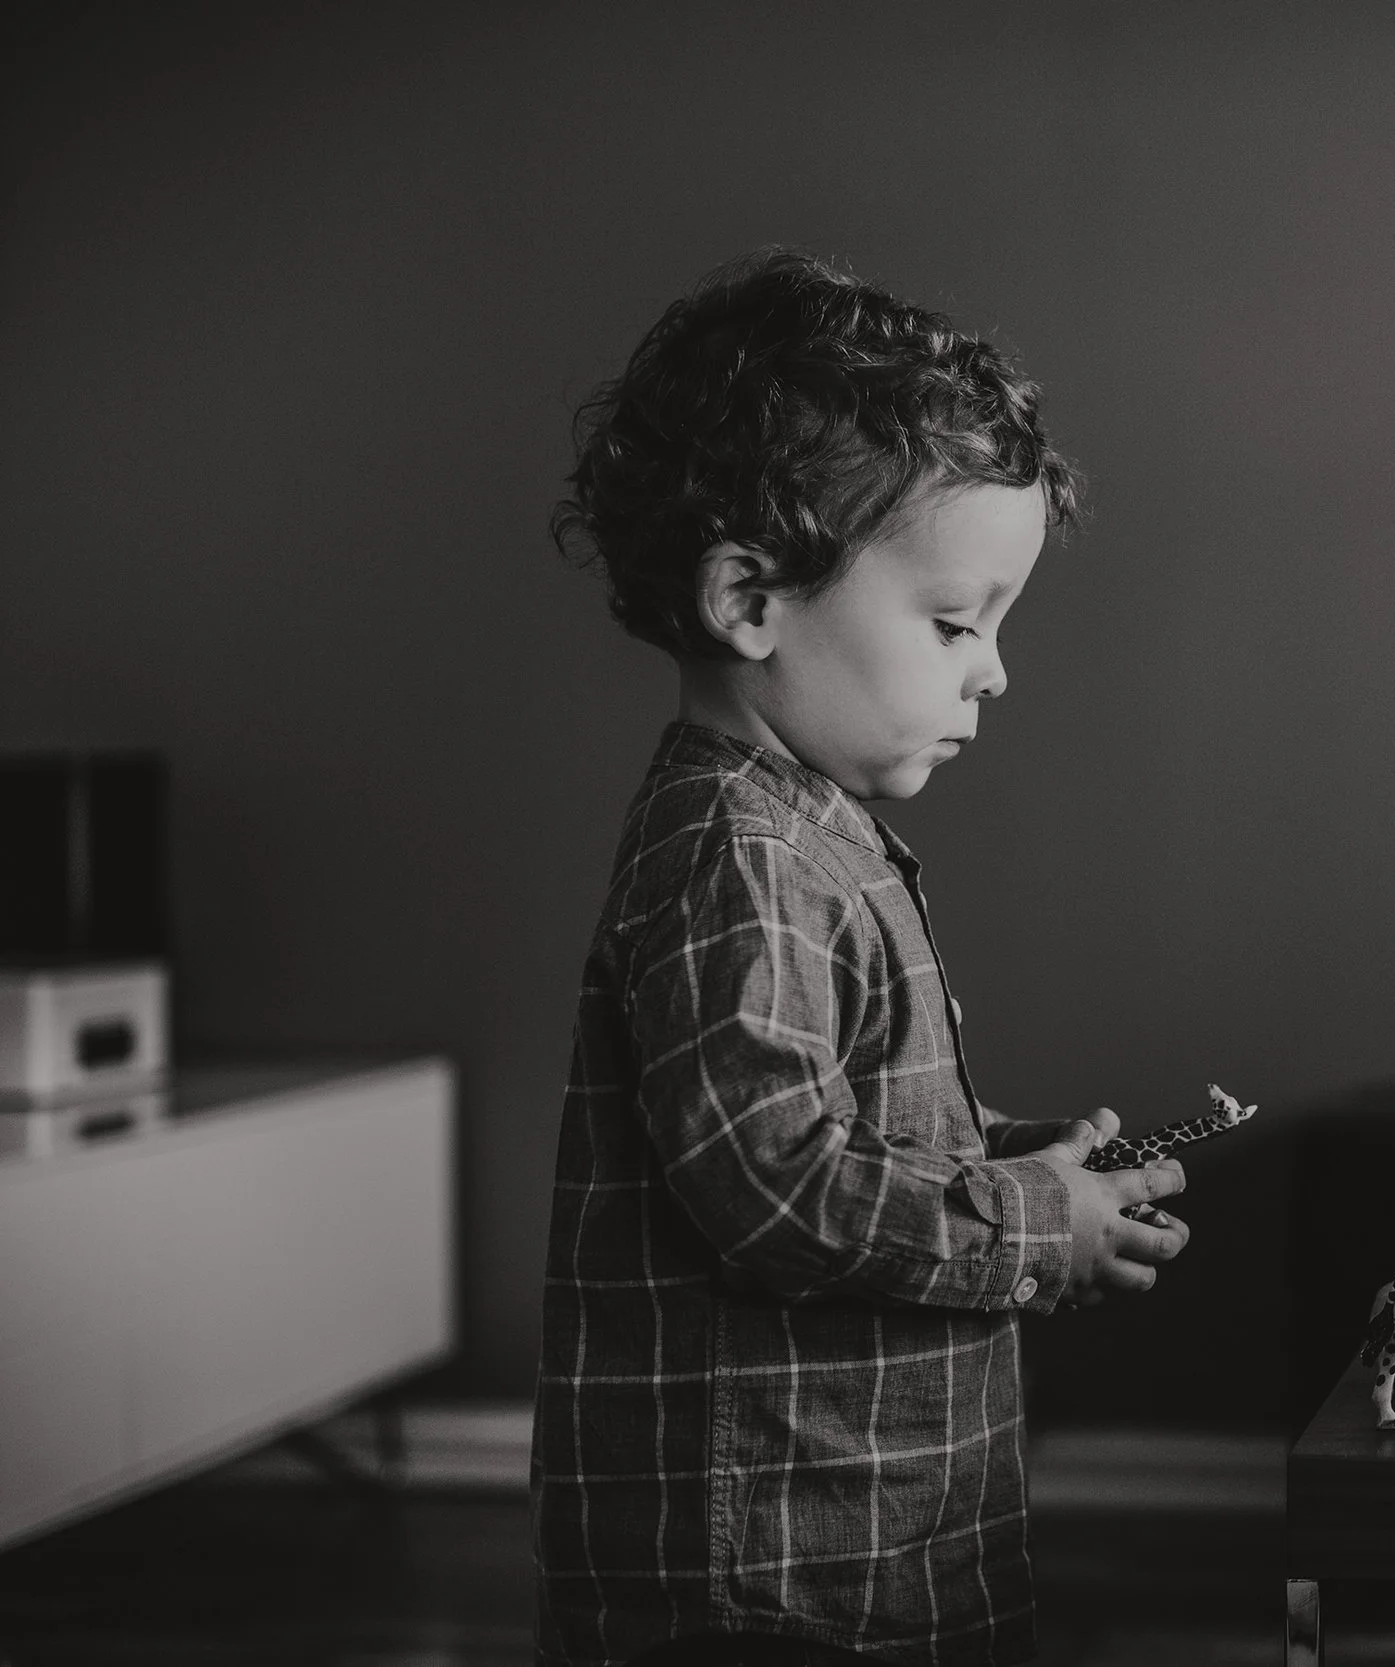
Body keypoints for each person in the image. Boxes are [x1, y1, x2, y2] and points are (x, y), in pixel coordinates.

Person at [533, 249, 1190, 1667]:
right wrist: (1023, 1223)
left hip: (863, 1540)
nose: (992, 670)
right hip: (772, 1579)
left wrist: (1025, 1166)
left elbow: (840, 1133)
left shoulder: (807, 830)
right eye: (956, 622)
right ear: (750, 599)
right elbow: (772, 1188)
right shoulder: (736, 853)